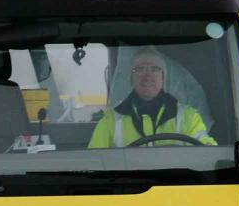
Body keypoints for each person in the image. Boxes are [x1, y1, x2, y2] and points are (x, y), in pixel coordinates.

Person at [87, 48, 216, 148]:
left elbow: (206, 149)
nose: (148, 76)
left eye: (154, 69)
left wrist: (208, 146)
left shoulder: (189, 117)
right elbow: (94, 160)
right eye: (140, 69)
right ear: (131, 79)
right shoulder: (110, 121)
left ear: (163, 78)